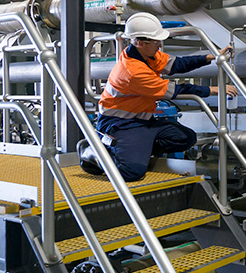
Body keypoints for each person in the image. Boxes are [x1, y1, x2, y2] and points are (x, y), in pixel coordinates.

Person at [78, 12, 237, 181]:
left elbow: (177, 64)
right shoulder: (132, 71)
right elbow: (175, 90)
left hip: (143, 121)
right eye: (156, 41)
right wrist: (214, 90)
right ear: (139, 42)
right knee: (131, 173)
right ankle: (93, 151)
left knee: (186, 138)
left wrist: (210, 57)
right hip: (120, 124)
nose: (160, 45)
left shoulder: (147, 55)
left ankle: (137, 150)